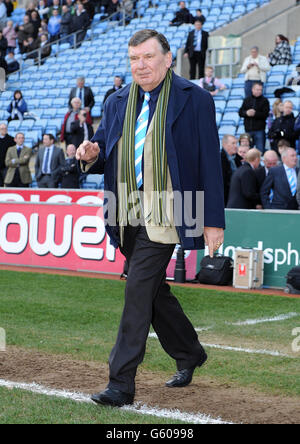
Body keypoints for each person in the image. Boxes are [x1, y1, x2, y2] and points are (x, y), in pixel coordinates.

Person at [76, 29, 225, 408]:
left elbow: (209, 160)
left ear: (168, 58)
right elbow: (106, 151)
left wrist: (212, 220)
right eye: (133, 59)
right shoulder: (117, 101)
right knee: (152, 290)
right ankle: (189, 352)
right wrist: (92, 153)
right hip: (125, 210)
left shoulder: (196, 100)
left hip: (170, 210)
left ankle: (120, 383)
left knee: (137, 290)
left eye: (147, 57)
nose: (140, 65)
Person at [238, 82, 270, 153]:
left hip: (259, 130)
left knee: (260, 151)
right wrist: (246, 113)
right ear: (252, 89)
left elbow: (265, 114)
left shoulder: (265, 101)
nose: (259, 91)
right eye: (257, 89)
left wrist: (255, 114)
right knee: (247, 152)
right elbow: (240, 112)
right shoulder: (247, 100)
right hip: (248, 130)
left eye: (260, 90)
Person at [220, 134, 243, 207]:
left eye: (236, 143)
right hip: (224, 196)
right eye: (233, 143)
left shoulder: (238, 159)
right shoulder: (218, 159)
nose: (236, 146)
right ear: (224, 145)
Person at [0, 122, 15, 186]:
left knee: (8, 183)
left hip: (6, 166)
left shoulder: (11, 139)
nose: (4, 130)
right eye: (2, 129)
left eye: (5, 128)